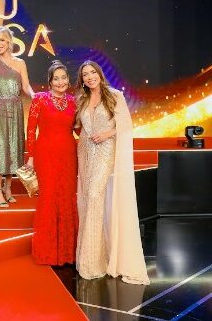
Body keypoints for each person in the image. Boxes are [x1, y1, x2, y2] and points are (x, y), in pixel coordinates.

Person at [75, 60, 149, 285]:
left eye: (93, 72)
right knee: (87, 199)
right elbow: (77, 126)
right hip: (85, 151)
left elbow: (125, 125)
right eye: (85, 74)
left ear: (99, 74)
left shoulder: (115, 95)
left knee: (95, 196)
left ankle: (92, 263)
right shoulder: (81, 99)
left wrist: (107, 134)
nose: (90, 77)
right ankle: (95, 256)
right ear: (82, 79)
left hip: (106, 150)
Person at [26, 60, 78, 265]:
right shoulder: (40, 99)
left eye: (63, 78)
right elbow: (31, 130)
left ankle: (67, 252)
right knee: (48, 198)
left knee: (67, 198)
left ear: (68, 79)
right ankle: (47, 251)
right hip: (45, 155)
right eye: (56, 79)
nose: (60, 82)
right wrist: (30, 157)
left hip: (68, 155)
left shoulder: (74, 101)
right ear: (49, 81)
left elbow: (79, 129)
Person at [0, 26, 34, 208]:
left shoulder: (20, 63)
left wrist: (37, 97)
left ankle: (8, 188)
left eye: (2, 40)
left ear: (9, 42)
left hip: (15, 108)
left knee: (13, 146)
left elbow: (26, 87)